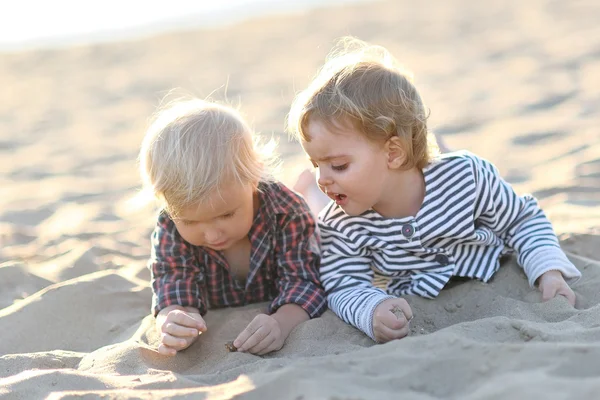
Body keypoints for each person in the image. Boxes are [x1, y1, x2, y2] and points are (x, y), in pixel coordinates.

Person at [287, 37, 581, 344]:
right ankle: (307, 191)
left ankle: (438, 145)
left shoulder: (467, 177)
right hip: (406, 277)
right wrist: (372, 309)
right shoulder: (340, 224)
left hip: (486, 265)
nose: (324, 176)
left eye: (338, 164)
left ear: (392, 153)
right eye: (316, 164)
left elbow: (523, 220)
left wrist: (548, 271)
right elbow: (343, 283)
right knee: (319, 212)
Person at [139, 99, 326, 356]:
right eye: (191, 221)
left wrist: (282, 323)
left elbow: (305, 281)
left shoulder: (287, 212)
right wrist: (174, 319)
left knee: (321, 214)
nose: (213, 234)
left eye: (226, 214)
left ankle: (308, 186)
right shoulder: (170, 223)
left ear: (253, 179)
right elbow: (173, 280)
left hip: (306, 214)